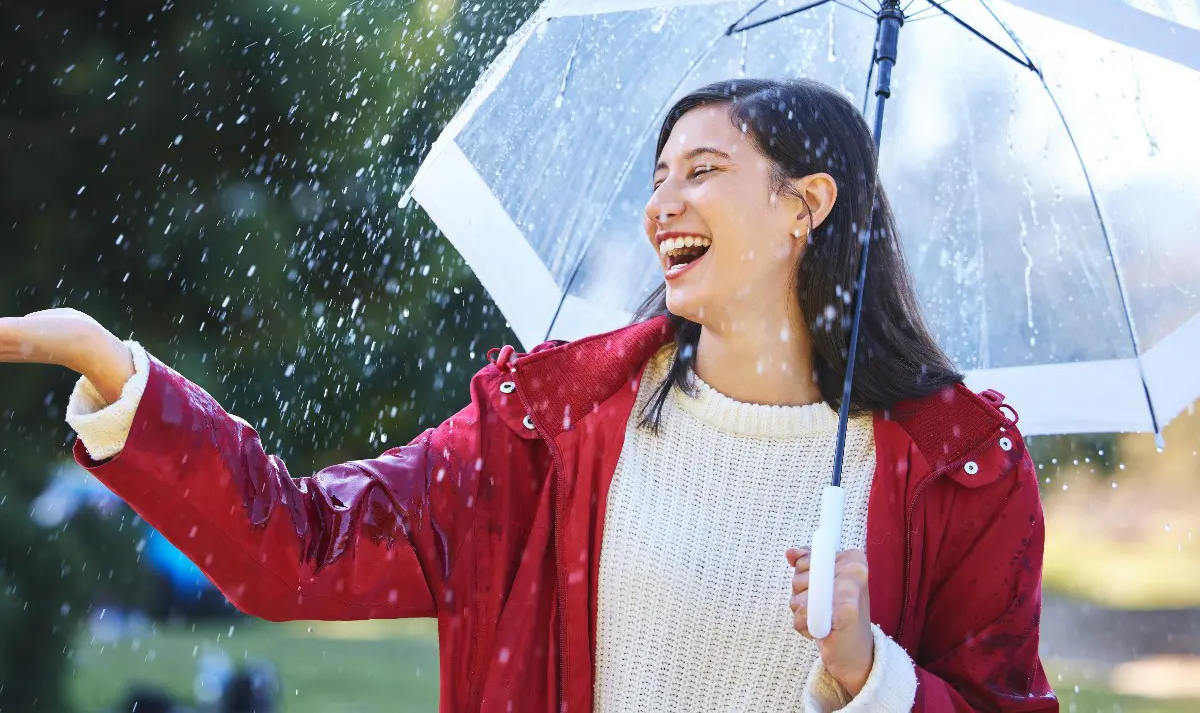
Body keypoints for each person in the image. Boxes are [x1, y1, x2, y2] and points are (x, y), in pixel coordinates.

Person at [0, 78, 1058, 712]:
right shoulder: (548, 429)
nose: (661, 204)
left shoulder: (962, 473)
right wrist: (114, 372)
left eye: (702, 169)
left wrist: (873, 673)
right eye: (657, 175)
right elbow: (302, 549)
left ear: (805, 205)